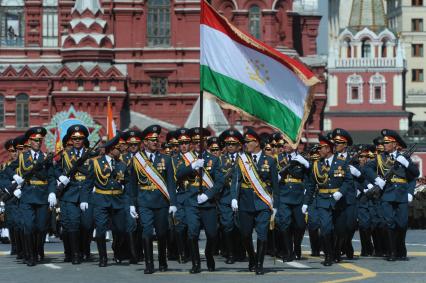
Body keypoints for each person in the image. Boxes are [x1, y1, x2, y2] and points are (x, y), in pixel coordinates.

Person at [364, 129, 419, 261]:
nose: (385, 145)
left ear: (395, 144)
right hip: (387, 194)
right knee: (389, 223)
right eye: (384, 142)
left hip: (401, 194)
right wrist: (377, 180)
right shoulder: (379, 157)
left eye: (388, 143)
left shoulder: (404, 157)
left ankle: (401, 248)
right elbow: (367, 169)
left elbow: (414, 175)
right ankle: (392, 251)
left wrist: (406, 164)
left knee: (402, 224)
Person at [231, 127, 279, 275]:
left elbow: (275, 186)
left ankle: (259, 263)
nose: (246, 145)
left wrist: (275, 205)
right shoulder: (242, 160)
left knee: (262, 234)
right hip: (245, 202)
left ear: (257, 143)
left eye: (248, 142)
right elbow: (236, 181)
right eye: (245, 142)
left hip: (263, 202)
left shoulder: (270, 161)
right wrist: (234, 197)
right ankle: (252, 257)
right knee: (245, 234)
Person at [129, 125, 177, 273]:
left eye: (157, 139)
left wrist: (173, 203)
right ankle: (149, 264)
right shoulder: (137, 160)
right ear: (145, 142)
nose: (155, 142)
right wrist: (132, 203)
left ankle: (162, 261)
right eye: (151, 140)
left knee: (162, 233)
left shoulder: (166, 159)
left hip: (161, 201)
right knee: (147, 232)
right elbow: (132, 183)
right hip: (144, 201)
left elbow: (170, 182)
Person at [176, 127, 224, 273]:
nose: (198, 144)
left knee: (212, 234)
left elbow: (219, 182)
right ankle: (195, 263)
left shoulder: (213, 159)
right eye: (195, 141)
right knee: (193, 233)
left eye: (201, 141)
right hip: (191, 201)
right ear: (192, 143)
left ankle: (209, 254)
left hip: (207, 203)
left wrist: (208, 195)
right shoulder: (184, 159)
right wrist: (192, 166)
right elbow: (178, 174)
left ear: (205, 142)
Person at [8, 127, 56, 266]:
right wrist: (15, 177)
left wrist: (52, 192)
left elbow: (51, 177)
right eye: (35, 140)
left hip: (42, 196)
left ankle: (36, 251)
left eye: (40, 140)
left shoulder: (46, 157)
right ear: (30, 141)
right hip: (27, 196)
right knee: (28, 226)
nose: (37, 143)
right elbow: (9, 168)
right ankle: (30, 255)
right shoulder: (22, 156)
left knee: (40, 228)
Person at [304, 134, 352, 266]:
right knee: (325, 228)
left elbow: (348, 181)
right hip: (323, 200)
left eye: (322, 148)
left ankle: (337, 252)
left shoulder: (342, 162)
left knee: (340, 230)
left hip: (339, 201)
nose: (319, 151)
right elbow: (311, 186)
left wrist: (340, 192)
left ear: (328, 149)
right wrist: (306, 203)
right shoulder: (316, 165)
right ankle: (328, 255)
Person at [89, 133, 131, 267]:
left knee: (121, 230)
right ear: (111, 149)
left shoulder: (122, 165)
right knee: (101, 230)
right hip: (101, 199)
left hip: (118, 200)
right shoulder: (96, 163)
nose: (121, 150)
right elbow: (88, 182)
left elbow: (127, 183)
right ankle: (103, 257)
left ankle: (117, 249)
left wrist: (129, 202)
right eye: (118, 148)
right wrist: (85, 199)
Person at [54, 124, 92, 264]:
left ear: (84, 139)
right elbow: (55, 169)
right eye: (74, 138)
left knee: (87, 225)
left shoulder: (91, 155)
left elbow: (93, 174)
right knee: (73, 223)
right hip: (70, 194)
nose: (77, 141)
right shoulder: (64, 155)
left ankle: (84, 250)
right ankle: (75, 254)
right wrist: (61, 177)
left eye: (80, 138)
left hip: (87, 194)